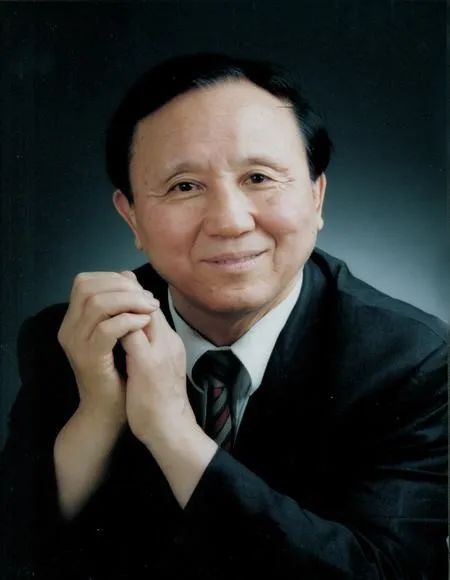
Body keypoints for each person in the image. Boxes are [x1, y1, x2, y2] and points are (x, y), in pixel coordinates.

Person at [1, 53, 447, 580]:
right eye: (184, 186)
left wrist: (172, 430)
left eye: (258, 177)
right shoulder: (80, 336)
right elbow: (17, 553)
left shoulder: (414, 363)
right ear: (131, 215)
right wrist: (98, 413)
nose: (230, 222)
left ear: (316, 195)